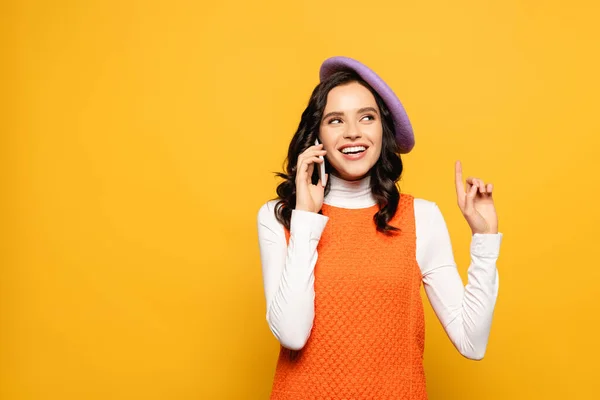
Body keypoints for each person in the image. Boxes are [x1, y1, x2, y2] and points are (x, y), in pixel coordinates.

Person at [256, 56, 503, 399]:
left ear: (383, 131)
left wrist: (485, 239)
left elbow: (471, 342)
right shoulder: (279, 216)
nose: (353, 132)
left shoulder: (423, 218)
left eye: (367, 117)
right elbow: (292, 334)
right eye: (335, 120)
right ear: (317, 137)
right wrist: (307, 218)